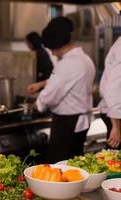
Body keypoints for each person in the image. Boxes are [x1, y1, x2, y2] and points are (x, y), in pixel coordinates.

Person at [27, 17, 96, 163]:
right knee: (74, 164)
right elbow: (67, 81)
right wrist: (41, 84)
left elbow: (50, 95)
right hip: (81, 121)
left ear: (57, 45)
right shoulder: (84, 59)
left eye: (52, 49)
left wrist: (36, 105)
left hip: (67, 123)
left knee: (59, 164)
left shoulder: (67, 64)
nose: (52, 53)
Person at [99, 37, 121, 149]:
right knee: (115, 161)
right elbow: (113, 87)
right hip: (116, 116)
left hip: (115, 113)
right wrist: (116, 127)